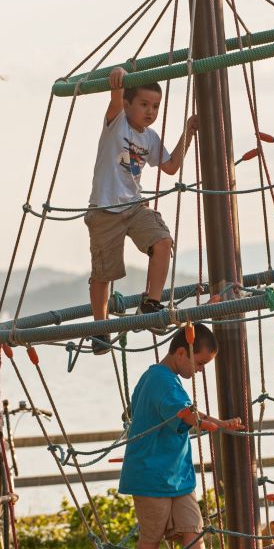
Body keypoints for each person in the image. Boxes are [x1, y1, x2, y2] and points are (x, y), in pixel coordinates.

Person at [118, 323, 242, 549]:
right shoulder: (161, 380)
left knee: (192, 528)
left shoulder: (160, 378)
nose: (200, 370)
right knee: (151, 538)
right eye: (200, 363)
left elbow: (183, 411)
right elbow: (184, 414)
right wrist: (212, 423)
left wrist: (217, 422)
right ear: (181, 353)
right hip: (151, 475)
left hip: (176, 475)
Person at [85, 65, 198, 355]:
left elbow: (171, 167)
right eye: (144, 104)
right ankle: (100, 328)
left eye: (155, 106)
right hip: (105, 210)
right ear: (127, 104)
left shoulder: (149, 137)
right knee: (103, 273)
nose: (150, 111)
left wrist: (189, 131)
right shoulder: (117, 122)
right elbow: (114, 98)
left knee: (162, 242)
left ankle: (151, 301)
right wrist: (119, 80)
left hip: (134, 206)